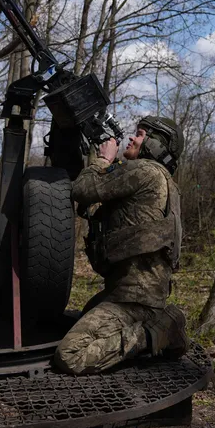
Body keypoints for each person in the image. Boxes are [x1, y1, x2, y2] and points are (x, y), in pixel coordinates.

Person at [53, 116, 187, 375]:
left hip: (131, 299)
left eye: (138, 134)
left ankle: (158, 332)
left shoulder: (144, 170)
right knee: (87, 314)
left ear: (155, 145)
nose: (131, 138)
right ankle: (160, 320)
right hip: (136, 293)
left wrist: (104, 159)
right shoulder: (166, 184)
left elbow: (82, 189)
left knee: (71, 354)